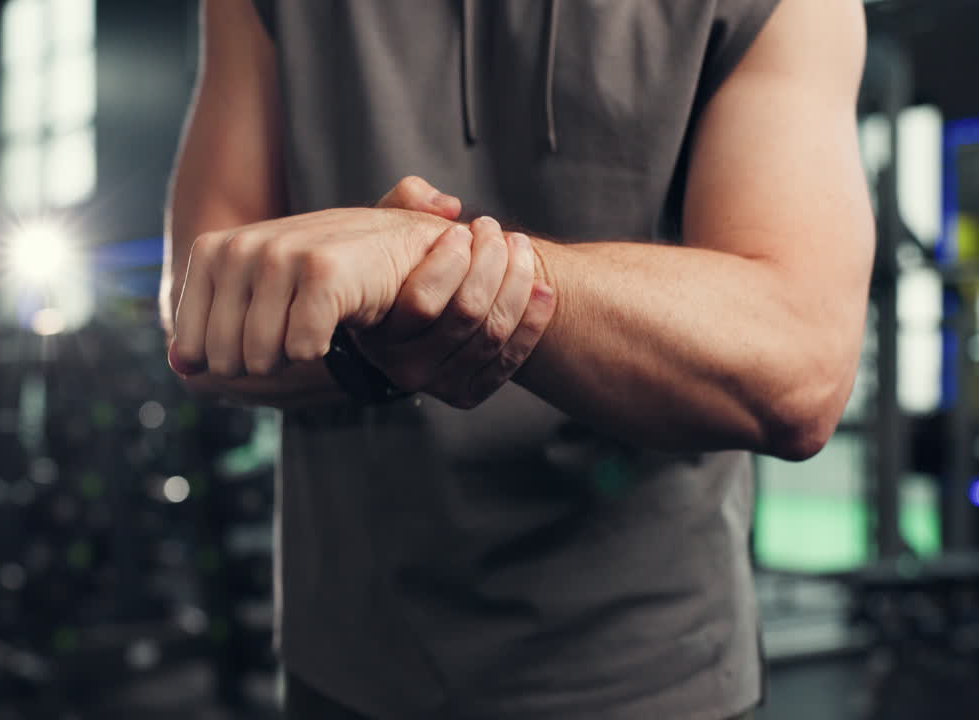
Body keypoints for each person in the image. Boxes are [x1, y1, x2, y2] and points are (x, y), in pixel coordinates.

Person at [161, 0, 872, 718]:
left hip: (649, 674)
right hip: (353, 668)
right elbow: (202, 309)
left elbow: (801, 362)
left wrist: (429, 270)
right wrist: (391, 329)